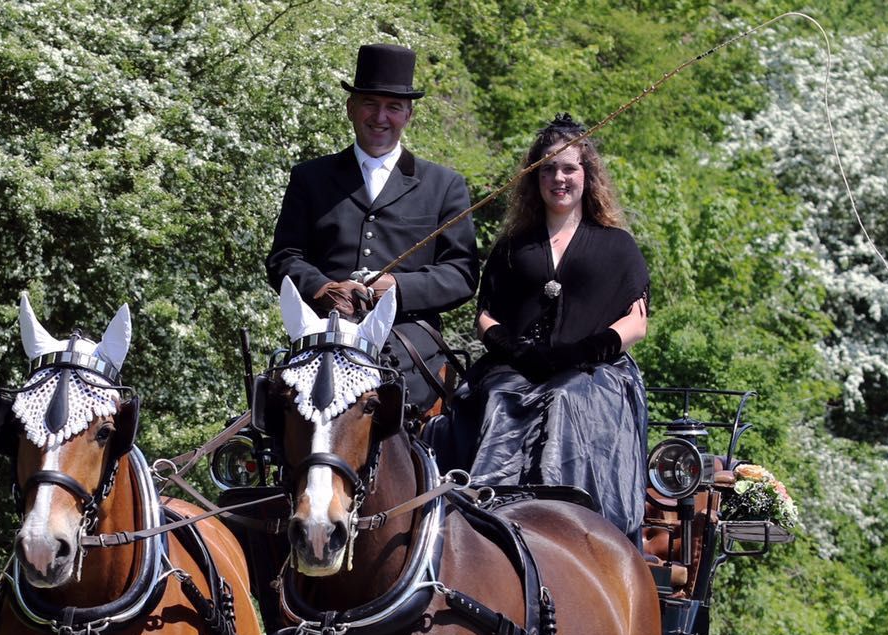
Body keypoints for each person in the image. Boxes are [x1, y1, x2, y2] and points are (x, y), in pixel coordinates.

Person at [465, 116, 650, 543]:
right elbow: (485, 314)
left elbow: (636, 322)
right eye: (546, 169)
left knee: (566, 398)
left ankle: (572, 527)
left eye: (568, 168)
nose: (558, 178)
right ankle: (486, 518)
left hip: (595, 373)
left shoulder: (616, 244)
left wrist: (581, 352)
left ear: (587, 174)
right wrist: (514, 349)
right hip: (517, 369)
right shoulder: (513, 247)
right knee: (496, 397)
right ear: (534, 178)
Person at [266, 43, 478, 411]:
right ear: (351, 108)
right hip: (324, 333)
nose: (380, 117)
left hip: (409, 342)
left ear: (408, 114)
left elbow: (461, 274)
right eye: (370, 104)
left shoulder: (444, 185)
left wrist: (394, 287)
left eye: (393, 107)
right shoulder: (310, 178)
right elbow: (284, 257)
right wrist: (324, 288)